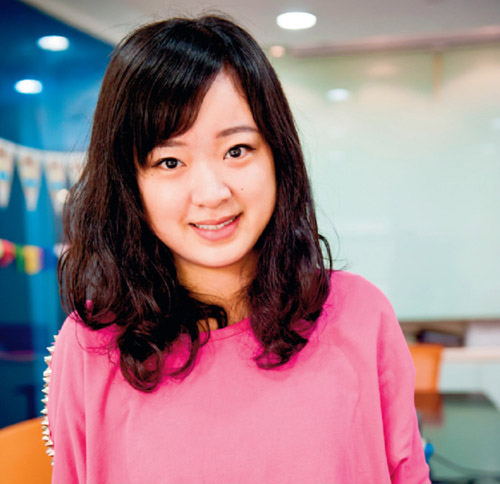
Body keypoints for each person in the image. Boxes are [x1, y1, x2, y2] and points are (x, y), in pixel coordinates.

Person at [44, 15, 431, 484]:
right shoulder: (91, 347)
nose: (211, 193)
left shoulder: (360, 315)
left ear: (277, 154)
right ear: (130, 183)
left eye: (237, 151)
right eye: (170, 161)